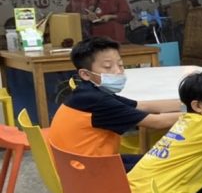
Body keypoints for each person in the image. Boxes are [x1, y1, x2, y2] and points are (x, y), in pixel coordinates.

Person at [49, 36, 181, 166]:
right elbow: (156, 122)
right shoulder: (97, 101)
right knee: (172, 165)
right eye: (107, 67)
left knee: (161, 161)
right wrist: (199, 112)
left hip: (79, 166)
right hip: (93, 172)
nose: (118, 71)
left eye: (121, 65)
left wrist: (188, 103)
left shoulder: (88, 92)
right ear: (85, 74)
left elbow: (142, 105)